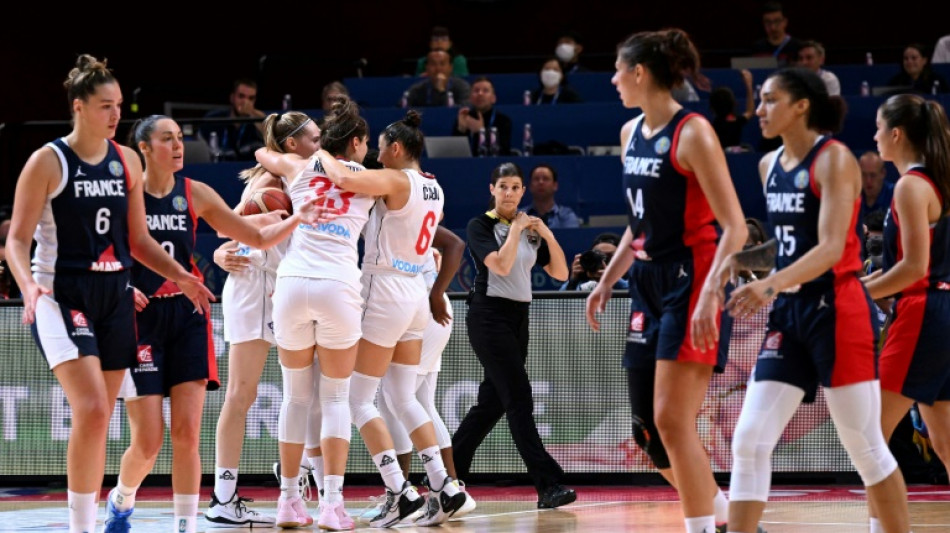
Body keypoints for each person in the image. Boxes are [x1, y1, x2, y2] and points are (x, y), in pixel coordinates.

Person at [2, 54, 214, 533]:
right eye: (105, 106)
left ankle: (104, 515)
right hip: (62, 295)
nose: (116, 115)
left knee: (100, 422)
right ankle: (81, 528)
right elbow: (16, 239)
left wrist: (181, 275)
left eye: (119, 105)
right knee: (94, 410)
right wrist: (28, 286)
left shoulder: (127, 161)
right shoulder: (48, 160)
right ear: (78, 107)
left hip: (116, 299)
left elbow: (138, 241)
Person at [102, 115, 328, 533]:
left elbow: (246, 235)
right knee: (154, 438)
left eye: (179, 138)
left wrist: (292, 222)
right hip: (165, 311)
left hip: (194, 310)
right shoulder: (126, 196)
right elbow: (101, 247)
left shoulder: (198, 192)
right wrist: (120, 286)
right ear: (144, 148)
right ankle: (132, 497)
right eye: (166, 138)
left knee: (193, 430)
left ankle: (276, 491)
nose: (177, 145)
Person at [723, 67, 911, 533]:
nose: (759, 110)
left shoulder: (834, 159)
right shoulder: (768, 165)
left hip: (837, 309)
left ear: (801, 105)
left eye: (769, 100)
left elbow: (829, 249)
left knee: (865, 448)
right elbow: (788, 246)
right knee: (748, 440)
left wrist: (766, 284)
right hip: (789, 312)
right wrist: (738, 262)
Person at [585, 29, 749, 533]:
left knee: (675, 421)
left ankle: (702, 525)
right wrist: (608, 280)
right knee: (649, 432)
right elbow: (640, 219)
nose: (613, 80)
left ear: (640, 73)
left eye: (618, 70)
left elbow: (736, 228)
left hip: (691, 276)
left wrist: (711, 292)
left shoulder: (694, 131)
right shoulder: (629, 133)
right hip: (647, 279)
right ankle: (723, 514)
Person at [315, 110, 471, 526]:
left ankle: (400, 490)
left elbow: (346, 179)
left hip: (383, 290)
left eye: (381, 147)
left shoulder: (397, 179)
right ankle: (445, 485)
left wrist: (322, 152)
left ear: (396, 148)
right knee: (404, 398)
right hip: (416, 293)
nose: (377, 155)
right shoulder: (434, 188)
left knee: (357, 398)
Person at [254, 95, 376, 530]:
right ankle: (331, 504)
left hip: (291, 284)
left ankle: (288, 502)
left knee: (295, 397)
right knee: (337, 398)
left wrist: (303, 155)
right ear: (356, 143)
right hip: (338, 286)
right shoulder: (371, 178)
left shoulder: (296, 166)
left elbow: (261, 152)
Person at [205, 111, 323, 527]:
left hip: (283, 285)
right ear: (292, 144)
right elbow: (228, 227)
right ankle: (222, 496)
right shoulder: (268, 184)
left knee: (310, 392)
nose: (320, 143)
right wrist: (226, 247)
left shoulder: (296, 172)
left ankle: (309, 482)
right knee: (241, 394)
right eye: (314, 137)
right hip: (256, 283)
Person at [452, 161, 576, 510]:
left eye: (515, 187)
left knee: (491, 405)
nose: (509, 193)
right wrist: (519, 231)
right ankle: (547, 483)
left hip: (519, 318)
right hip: (488, 316)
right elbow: (502, 266)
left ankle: (446, 476)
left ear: (523, 192)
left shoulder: (530, 228)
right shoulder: (480, 225)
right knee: (519, 396)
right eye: (502, 186)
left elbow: (560, 271)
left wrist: (546, 234)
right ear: (492, 189)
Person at [864, 94, 950, 533]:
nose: (874, 135)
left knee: (869, 435)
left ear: (896, 134)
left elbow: (914, 268)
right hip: (943, 310)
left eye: (879, 127)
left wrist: (858, 291)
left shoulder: (910, 186)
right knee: (946, 439)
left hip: (924, 312)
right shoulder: (937, 182)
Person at [371, 241, 477, 522]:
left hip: (420, 307)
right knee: (418, 402)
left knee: (393, 400)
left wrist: (437, 291)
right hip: (425, 306)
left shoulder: (397, 208)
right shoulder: (414, 212)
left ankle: (404, 495)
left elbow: (454, 244)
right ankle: (450, 489)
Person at [199, 78, 267, 161]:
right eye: (241, 96)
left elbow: (272, 139)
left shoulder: (257, 121)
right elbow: (199, 147)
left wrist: (253, 113)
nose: (245, 102)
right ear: (232, 98)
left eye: (251, 98)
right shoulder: (214, 119)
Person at [452, 77, 512, 156]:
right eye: (476, 91)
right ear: (470, 98)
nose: (480, 94)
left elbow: (502, 152)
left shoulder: (503, 121)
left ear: (493, 98)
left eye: (485, 91)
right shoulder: (465, 118)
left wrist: (481, 132)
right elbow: (454, 154)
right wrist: (460, 131)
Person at [560, 232, 629, 291]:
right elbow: (558, 303)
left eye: (609, 257)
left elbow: (637, 293)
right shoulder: (580, 283)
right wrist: (573, 281)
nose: (603, 261)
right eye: (599, 255)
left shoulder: (630, 278)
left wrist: (614, 280)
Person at [710, 69, 756, 150]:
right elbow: (750, 111)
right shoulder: (736, 120)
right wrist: (749, 85)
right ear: (733, 103)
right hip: (736, 153)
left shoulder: (714, 124)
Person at [406, 50, 471, 108]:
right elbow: (402, 109)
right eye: (433, 64)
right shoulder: (417, 90)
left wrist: (441, 91)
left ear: (450, 67)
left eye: (442, 64)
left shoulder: (462, 87)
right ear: (427, 68)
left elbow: (464, 110)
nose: (438, 68)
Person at [524, 163, 580, 228]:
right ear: (530, 186)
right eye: (536, 179)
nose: (541, 182)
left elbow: (571, 237)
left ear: (555, 186)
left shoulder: (567, 216)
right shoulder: (519, 216)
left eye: (546, 179)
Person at [751, 1, 803, 67]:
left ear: (785, 22)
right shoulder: (757, 47)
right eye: (768, 22)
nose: (773, 27)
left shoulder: (797, 46)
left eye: (777, 21)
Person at [860, 150, 895, 227]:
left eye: (873, 175)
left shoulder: (895, 194)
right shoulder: (854, 195)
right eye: (864, 175)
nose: (868, 181)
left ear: (883, 173)